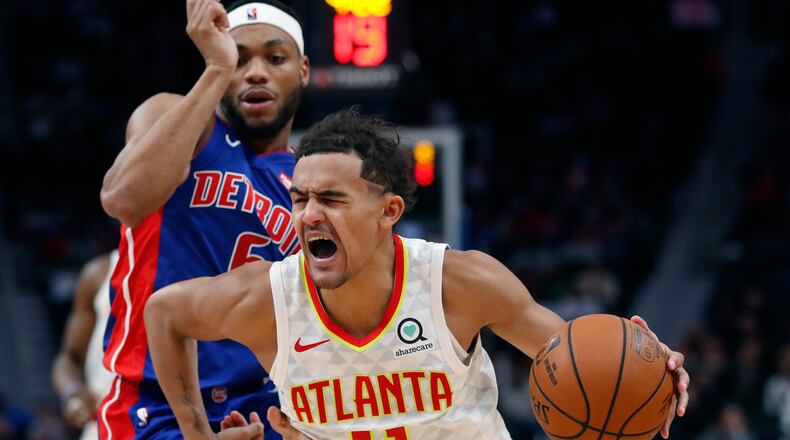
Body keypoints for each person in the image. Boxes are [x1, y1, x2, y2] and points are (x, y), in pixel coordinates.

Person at [144, 108, 691, 439]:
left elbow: (573, 355)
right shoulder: (266, 300)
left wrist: (650, 363)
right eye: (301, 198)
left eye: (332, 198)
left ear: (389, 213)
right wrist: (197, 434)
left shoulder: (460, 283)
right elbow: (163, 312)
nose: (310, 214)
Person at [98, 0, 310, 437]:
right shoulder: (179, 122)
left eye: (274, 58)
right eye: (239, 58)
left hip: (269, 409)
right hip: (155, 407)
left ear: (303, 70)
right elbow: (123, 198)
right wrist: (215, 69)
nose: (254, 72)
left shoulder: (312, 178)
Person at [52, 251, 118, 440]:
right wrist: (72, 392)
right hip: (103, 423)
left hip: (165, 420)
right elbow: (69, 357)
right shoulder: (99, 272)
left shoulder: (190, 265)